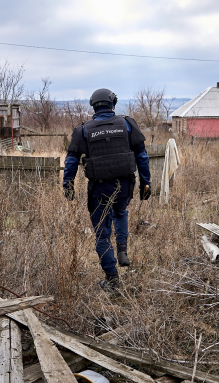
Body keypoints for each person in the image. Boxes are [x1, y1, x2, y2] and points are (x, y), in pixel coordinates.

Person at [63, 88, 151, 291]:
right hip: (125, 184)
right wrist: (146, 183)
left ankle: (112, 279)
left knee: (102, 235)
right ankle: (122, 251)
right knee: (120, 212)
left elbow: (71, 161)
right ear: (113, 104)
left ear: (94, 106)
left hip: (99, 187)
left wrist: (67, 185)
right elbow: (142, 155)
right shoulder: (128, 124)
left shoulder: (83, 130)